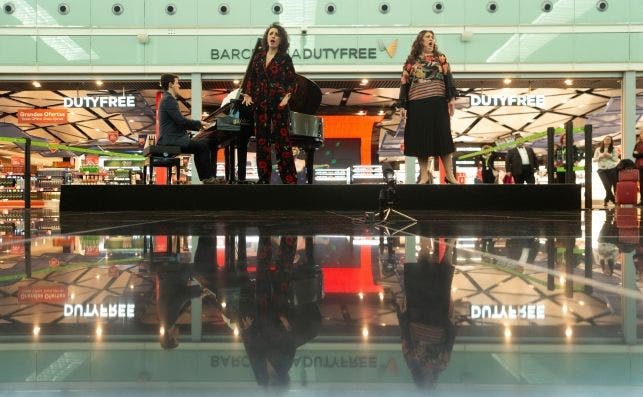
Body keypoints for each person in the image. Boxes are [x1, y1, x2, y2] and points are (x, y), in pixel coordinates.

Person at [393, 237, 456, 389]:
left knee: (420, 273)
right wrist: (450, 320)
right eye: (432, 385)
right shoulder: (441, 365)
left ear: (420, 381)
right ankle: (451, 243)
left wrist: (402, 314)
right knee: (443, 277)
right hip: (438, 317)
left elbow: (405, 338)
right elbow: (449, 342)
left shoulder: (412, 363)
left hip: (418, 312)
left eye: (427, 384)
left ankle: (424, 241)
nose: (430, 382)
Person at [399, 30, 459, 184]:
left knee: (444, 137)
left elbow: (448, 78)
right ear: (420, 41)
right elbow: (404, 83)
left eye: (432, 37)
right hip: (417, 104)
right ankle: (424, 176)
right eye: (427, 37)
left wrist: (451, 99)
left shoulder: (441, 59)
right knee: (421, 139)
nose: (431, 39)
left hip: (438, 103)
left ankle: (450, 175)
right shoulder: (411, 62)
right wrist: (402, 106)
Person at [242, 23, 297, 184]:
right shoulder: (258, 57)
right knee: (261, 143)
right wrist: (247, 94)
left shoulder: (284, 58)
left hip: (279, 103)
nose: (273, 36)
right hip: (261, 104)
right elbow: (251, 78)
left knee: (282, 143)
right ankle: (264, 179)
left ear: (281, 40)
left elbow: (293, 81)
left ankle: (289, 180)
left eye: (277, 34)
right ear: (267, 37)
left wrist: (287, 97)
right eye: (271, 34)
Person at [157, 73, 216, 183]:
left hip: (171, 138)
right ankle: (208, 179)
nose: (179, 86)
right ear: (170, 84)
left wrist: (198, 125)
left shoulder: (166, 98)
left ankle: (207, 178)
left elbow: (178, 122)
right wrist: (200, 123)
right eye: (177, 83)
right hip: (171, 140)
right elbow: (181, 121)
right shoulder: (169, 99)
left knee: (200, 146)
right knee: (202, 147)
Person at [593, 135, 619, 206]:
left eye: (609, 140)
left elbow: (616, 159)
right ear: (603, 141)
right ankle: (613, 199)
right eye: (606, 139)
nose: (607, 141)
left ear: (611, 142)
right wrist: (600, 156)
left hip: (612, 169)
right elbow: (594, 160)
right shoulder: (598, 149)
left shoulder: (614, 149)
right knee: (606, 185)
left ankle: (606, 200)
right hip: (601, 170)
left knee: (610, 186)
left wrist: (609, 156)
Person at [631, 130, 643, 205]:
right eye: (642, 134)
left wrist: (639, 154)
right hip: (640, 165)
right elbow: (634, 155)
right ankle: (642, 200)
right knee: (641, 183)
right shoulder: (638, 144)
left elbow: (637, 154)